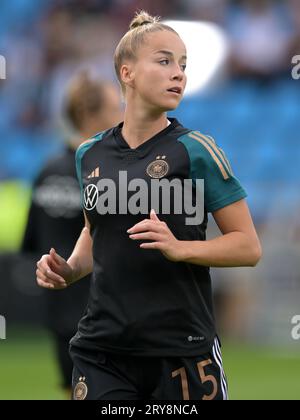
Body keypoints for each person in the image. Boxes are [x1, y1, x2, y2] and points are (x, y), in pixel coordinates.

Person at [36, 11, 262, 401]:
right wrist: (69, 268)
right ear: (127, 73)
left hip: (182, 350)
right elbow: (94, 231)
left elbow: (248, 246)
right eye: (164, 61)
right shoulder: (89, 154)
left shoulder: (197, 151)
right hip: (102, 351)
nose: (179, 73)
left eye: (183, 64)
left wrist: (182, 248)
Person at [22, 71, 122, 395]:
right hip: (106, 311)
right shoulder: (108, 174)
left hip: (58, 313)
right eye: (115, 108)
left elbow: (31, 244)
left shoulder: (46, 172)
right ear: (90, 115)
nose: (122, 115)